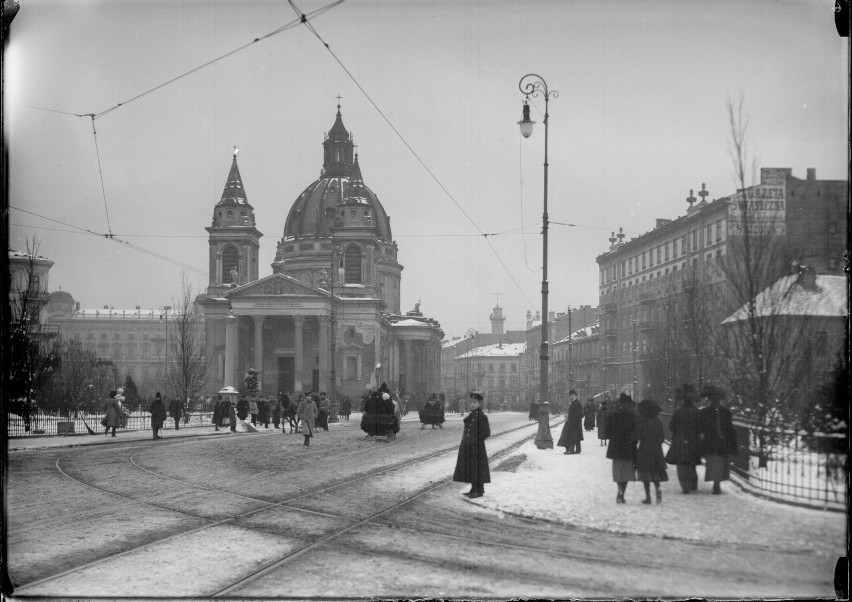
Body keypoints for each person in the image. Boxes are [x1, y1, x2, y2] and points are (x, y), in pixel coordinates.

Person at [698, 385, 737, 494]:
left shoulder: (706, 412)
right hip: (720, 441)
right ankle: (717, 483)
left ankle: (716, 483)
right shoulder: (725, 412)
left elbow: (701, 427)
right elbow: (729, 428)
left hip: (712, 441)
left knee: (715, 462)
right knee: (718, 462)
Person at [452, 392, 491, 499]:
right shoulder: (472, 415)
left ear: (479, 404)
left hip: (477, 448)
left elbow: (486, 432)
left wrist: (475, 440)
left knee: (477, 469)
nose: (472, 404)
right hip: (469, 447)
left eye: (474, 402)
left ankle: (478, 491)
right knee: (472, 469)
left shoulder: (481, 416)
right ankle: (475, 490)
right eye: (471, 402)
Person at [667, 384, 701, 494]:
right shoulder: (696, 412)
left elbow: (671, 427)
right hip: (693, 441)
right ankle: (693, 483)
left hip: (680, 441)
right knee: (691, 463)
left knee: (681, 464)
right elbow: (700, 427)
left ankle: (685, 486)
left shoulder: (678, 412)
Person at [635, 398, 668, 504]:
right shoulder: (657, 422)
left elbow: (637, 436)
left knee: (645, 474)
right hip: (656, 450)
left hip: (644, 449)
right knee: (656, 472)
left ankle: (648, 497)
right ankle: (658, 489)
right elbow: (662, 438)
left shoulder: (641, 421)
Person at [606, 393, 637, 504]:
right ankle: (622, 493)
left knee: (618, 471)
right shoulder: (632, 416)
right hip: (629, 447)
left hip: (616, 447)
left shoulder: (613, 415)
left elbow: (607, 432)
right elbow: (636, 432)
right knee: (627, 472)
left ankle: (619, 491)